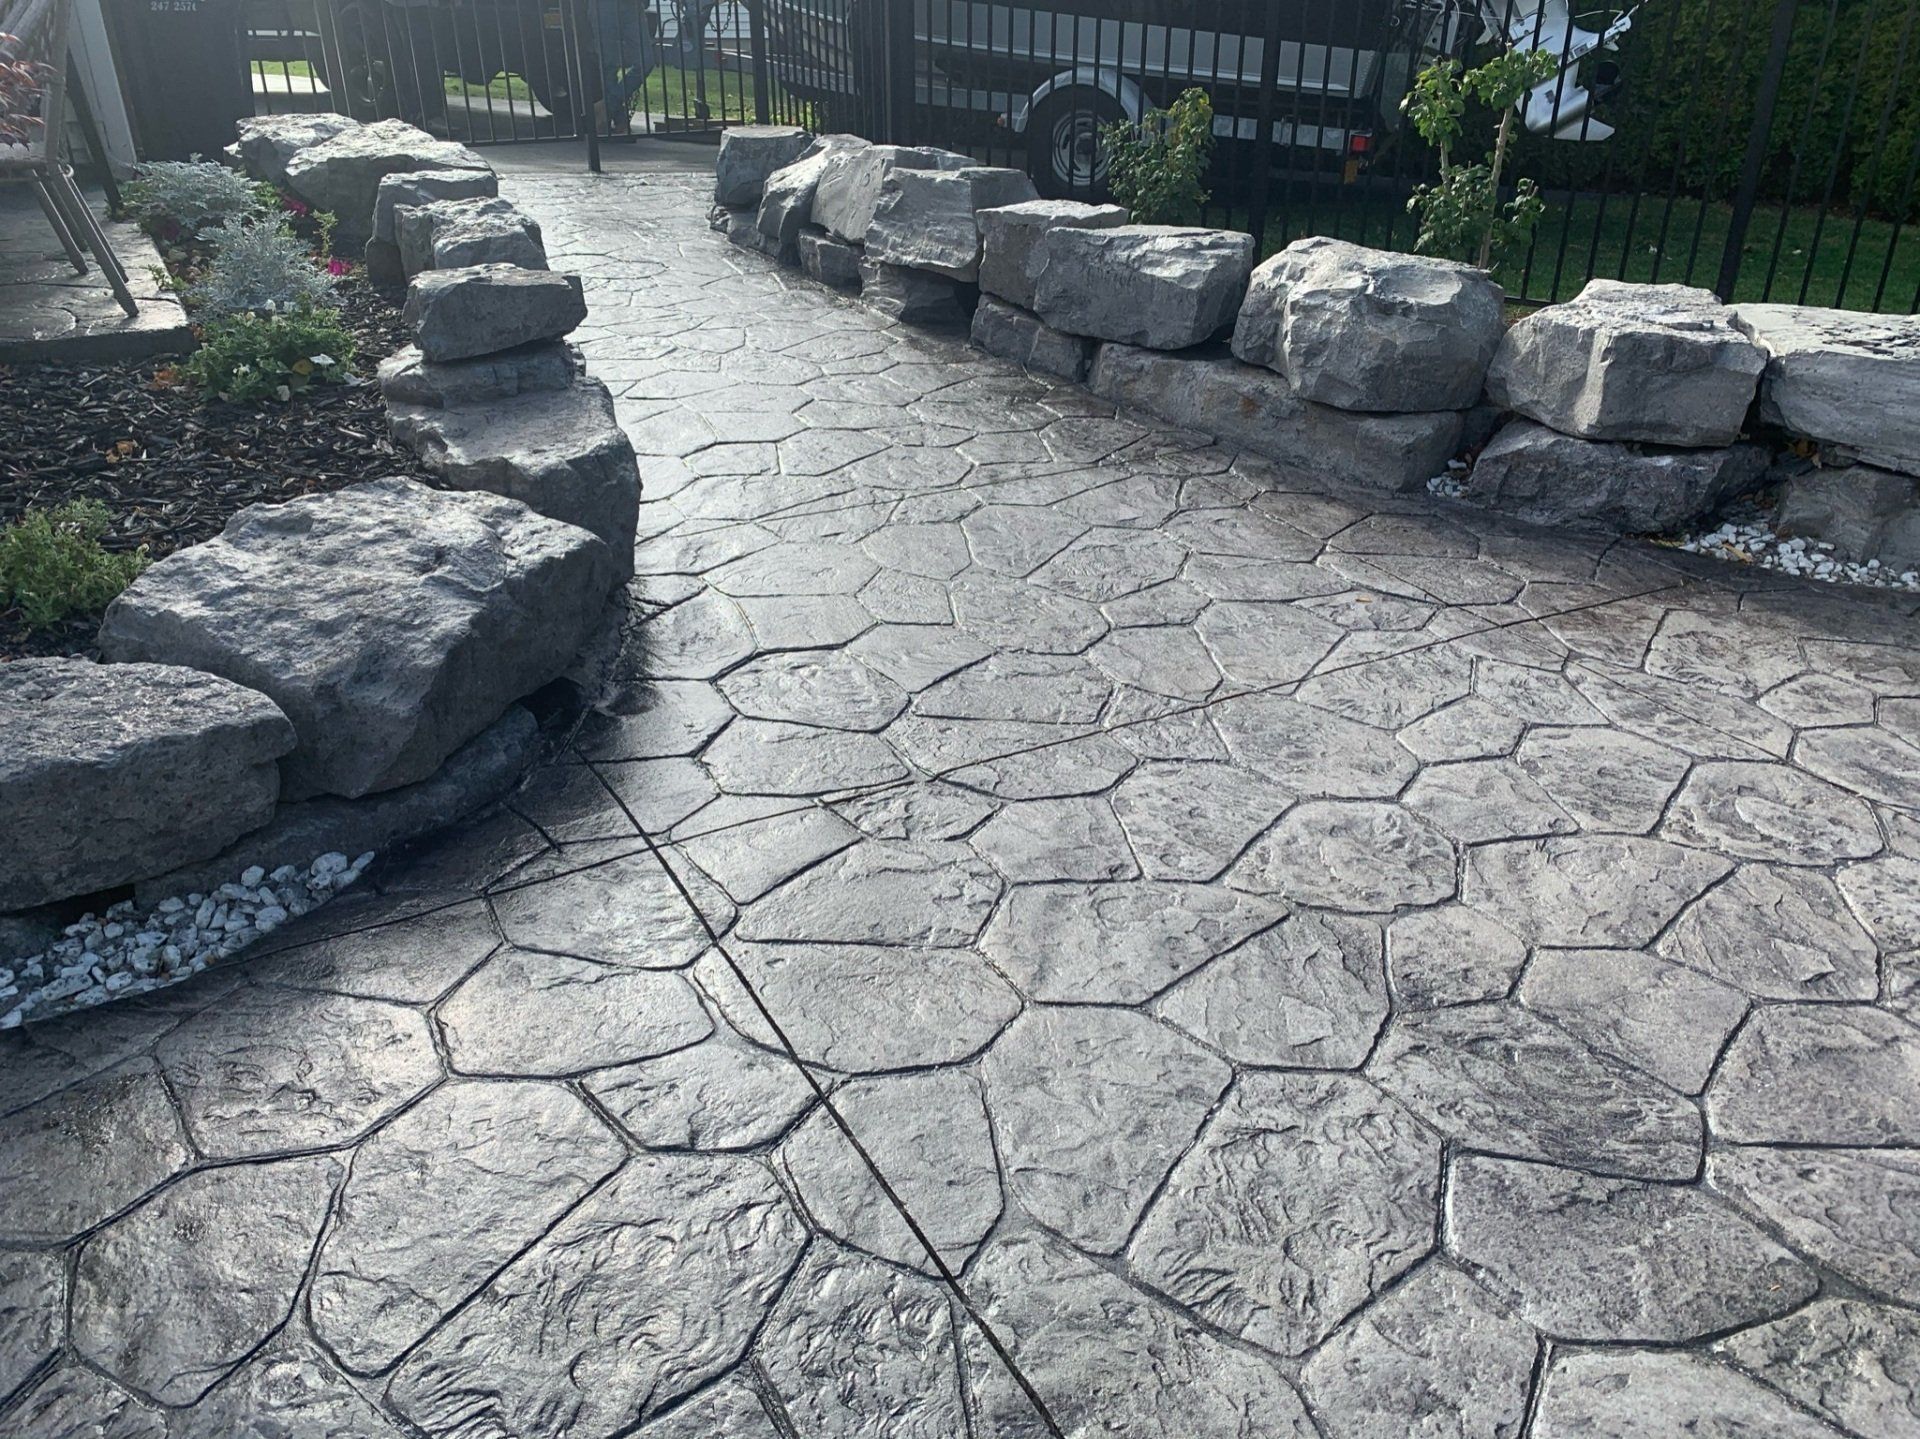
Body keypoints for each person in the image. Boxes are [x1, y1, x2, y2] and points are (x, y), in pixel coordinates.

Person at [591, 0, 658, 133]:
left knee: (646, 62)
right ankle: (614, 120)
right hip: (603, 6)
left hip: (631, 6)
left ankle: (606, 107)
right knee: (608, 66)